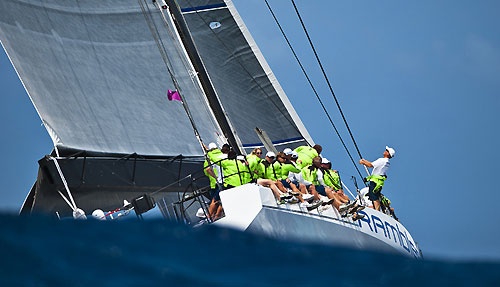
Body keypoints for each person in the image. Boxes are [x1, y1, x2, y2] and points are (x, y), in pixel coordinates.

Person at [359, 146, 395, 211]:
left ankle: (377, 211)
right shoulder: (387, 162)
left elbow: (370, 165)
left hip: (375, 181)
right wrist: (364, 161)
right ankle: (377, 210)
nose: (385, 150)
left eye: (387, 150)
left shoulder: (382, 160)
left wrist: (363, 162)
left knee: (374, 197)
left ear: (388, 154)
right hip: (379, 182)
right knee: (375, 196)